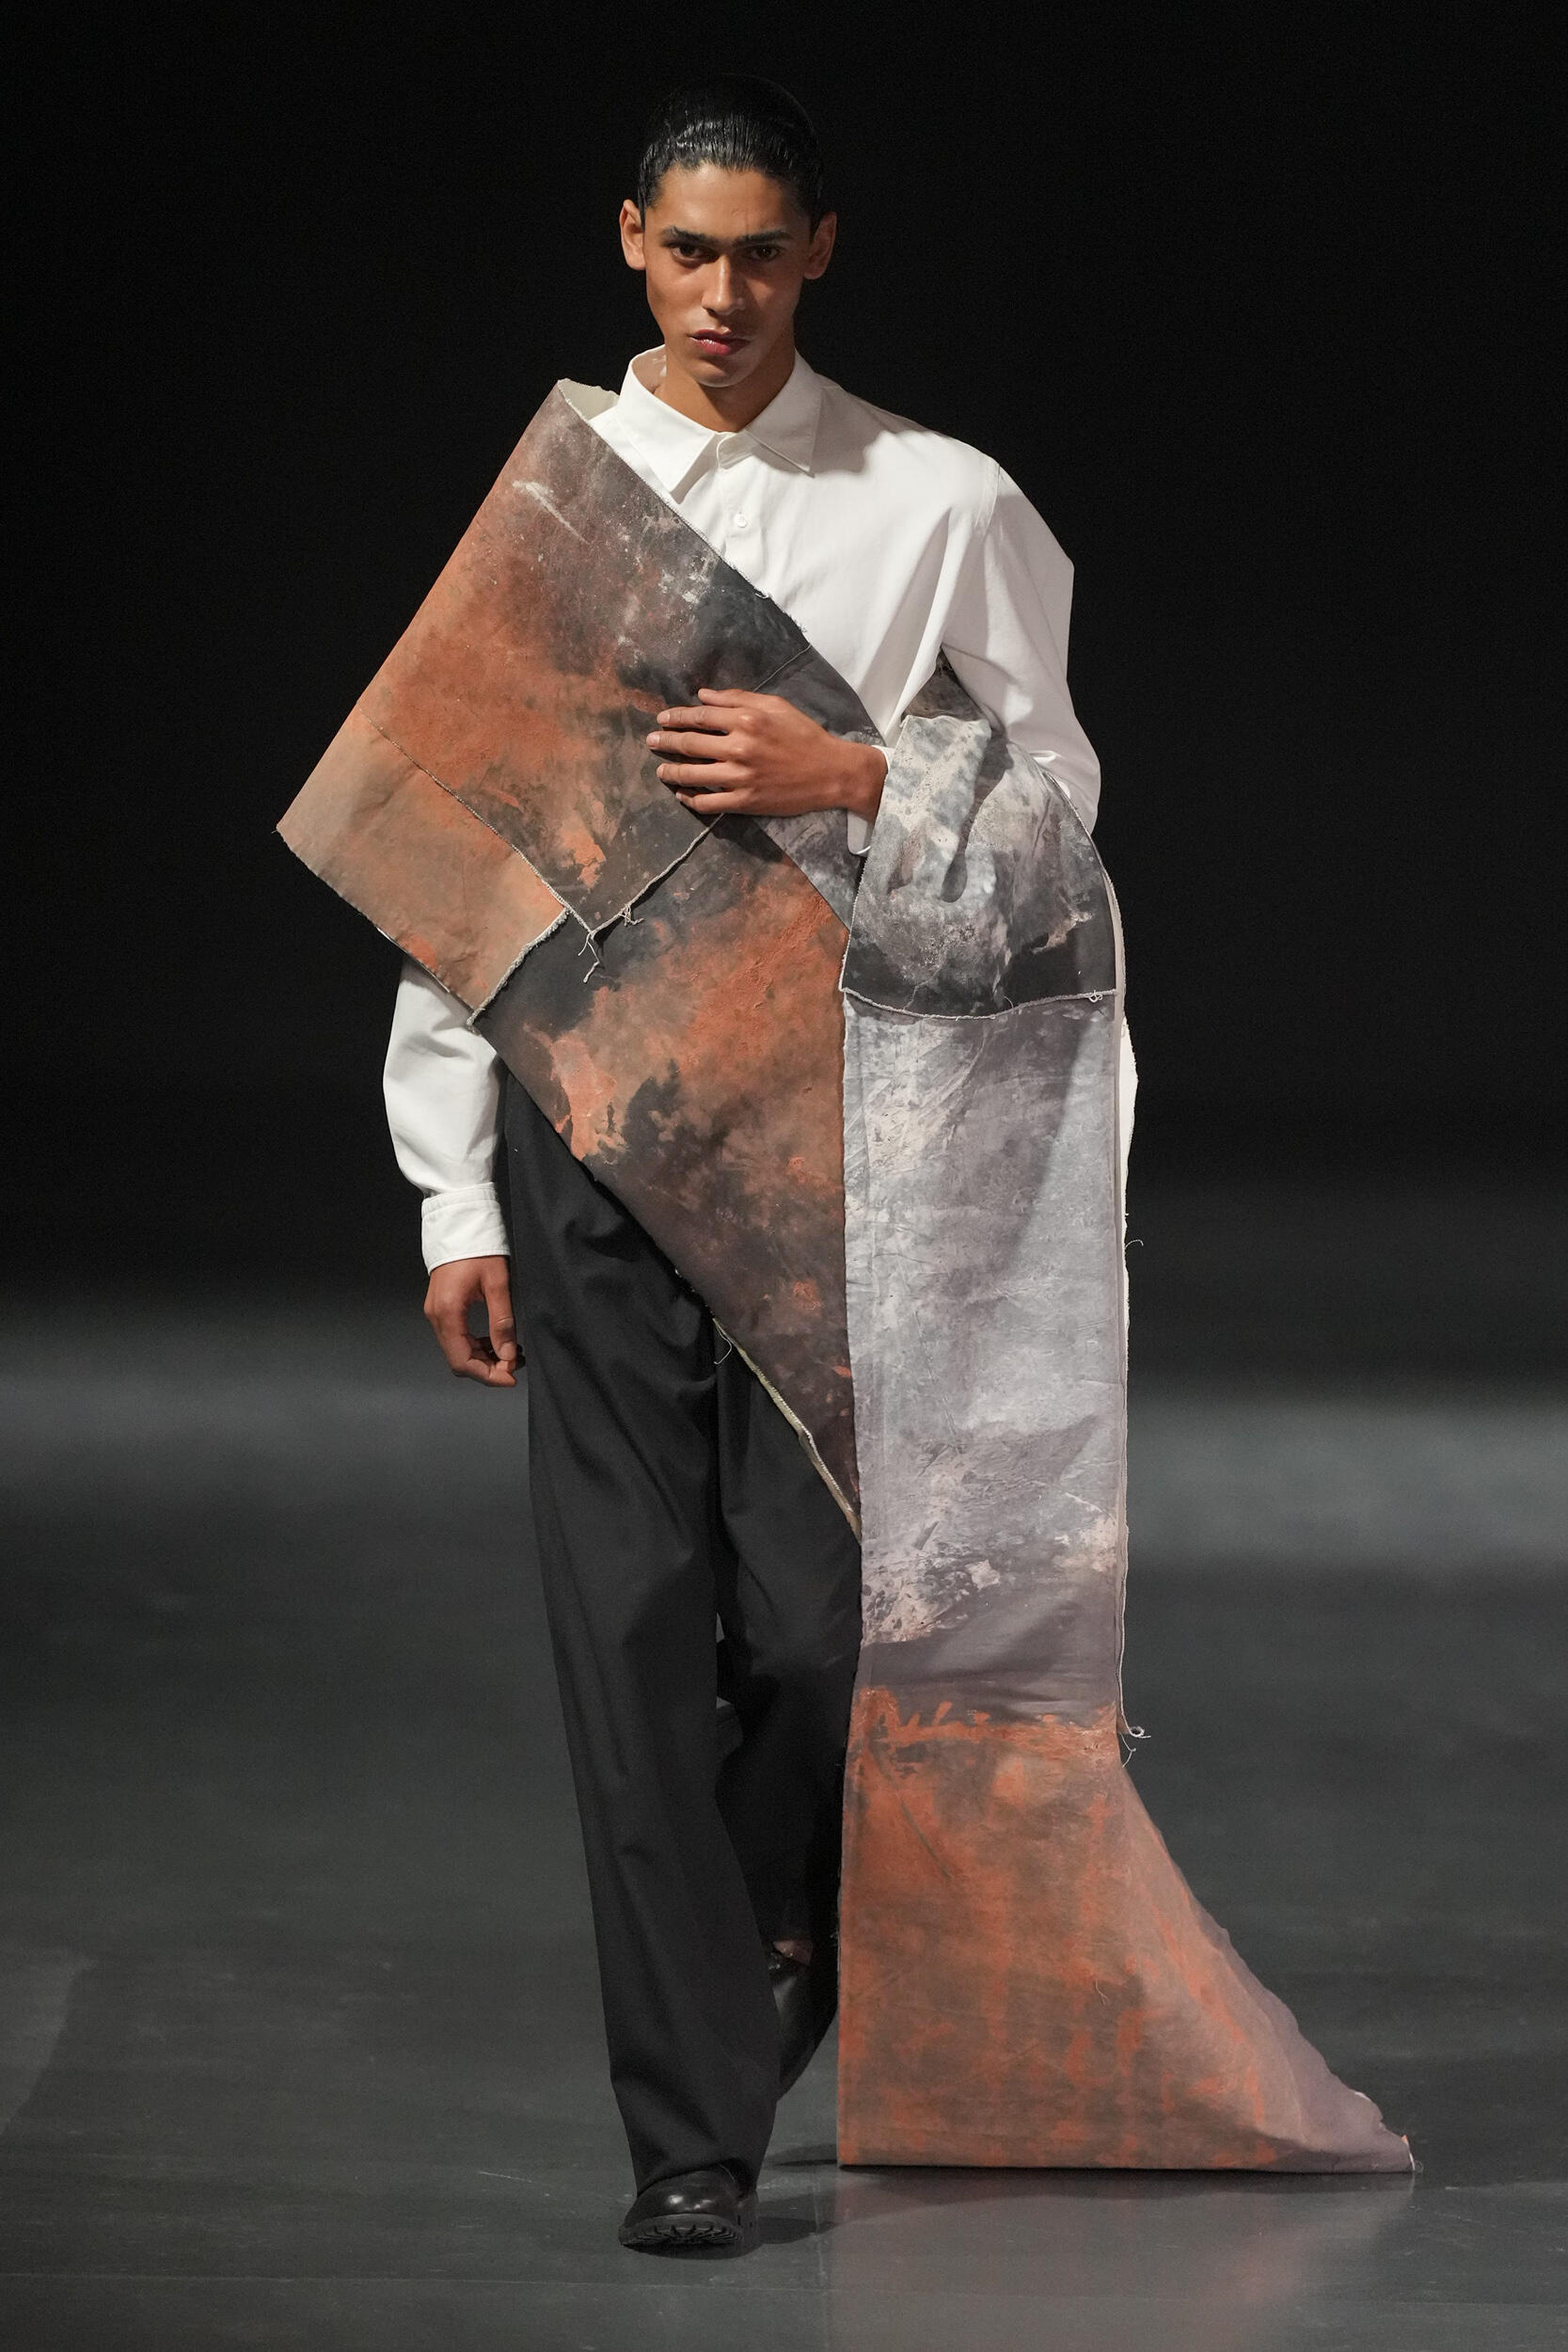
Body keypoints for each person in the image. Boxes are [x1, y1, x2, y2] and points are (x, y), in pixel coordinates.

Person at [382, 74, 1106, 2253]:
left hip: (837, 1125)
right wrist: (452, 1187)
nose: (722, 294)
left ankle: (779, 1922)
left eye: (761, 253)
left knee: (813, 1632)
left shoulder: (939, 497)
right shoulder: (564, 490)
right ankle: (689, 2132)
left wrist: (858, 772)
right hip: (592, 1119)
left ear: (820, 251)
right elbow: (467, 849)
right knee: (627, 1627)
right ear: (630, 241)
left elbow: (1060, 808)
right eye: (686, 251)